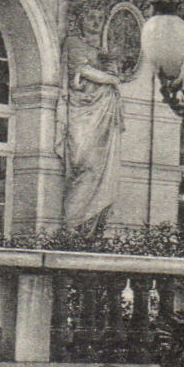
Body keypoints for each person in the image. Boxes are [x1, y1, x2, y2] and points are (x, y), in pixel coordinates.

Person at [62, 36, 124, 228]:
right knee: (84, 161)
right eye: (91, 16)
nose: (96, 21)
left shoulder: (103, 48)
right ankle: (74, 224)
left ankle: (91, 225)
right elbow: (84, 70)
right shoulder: (74, 43)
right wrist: (112, 80)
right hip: (84, 110)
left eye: (99, 17)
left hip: (103, 108)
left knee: (101, 167)